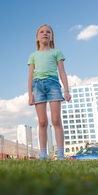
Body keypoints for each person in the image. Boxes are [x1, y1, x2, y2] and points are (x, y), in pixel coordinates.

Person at [27, 24, 71, 160]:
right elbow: (30, 76)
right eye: (42, 32)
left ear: (51, 37)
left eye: (48, 32)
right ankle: (43, 154)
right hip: (38, 86)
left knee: (56, 120)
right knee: (42, 122)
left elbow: (62, 72)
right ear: (37, 37)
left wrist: (66, 90)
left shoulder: (56, 53)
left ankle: (61, 154)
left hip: (53, 85)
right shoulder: (33, 56)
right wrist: (30, 94)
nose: (45, 33)